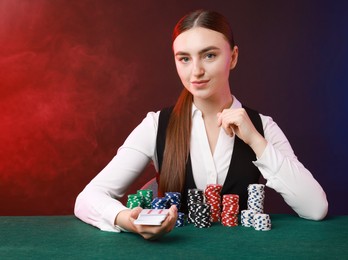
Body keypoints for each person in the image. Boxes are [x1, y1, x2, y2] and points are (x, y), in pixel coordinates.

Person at [74, 9, 328, 240]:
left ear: (234, 57)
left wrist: (255, 141)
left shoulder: (262, 127)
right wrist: (128, 221)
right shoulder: (155, 125)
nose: (196, 71)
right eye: (184, 58)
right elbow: (87, 199)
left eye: (209, 55)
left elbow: (315, 208)